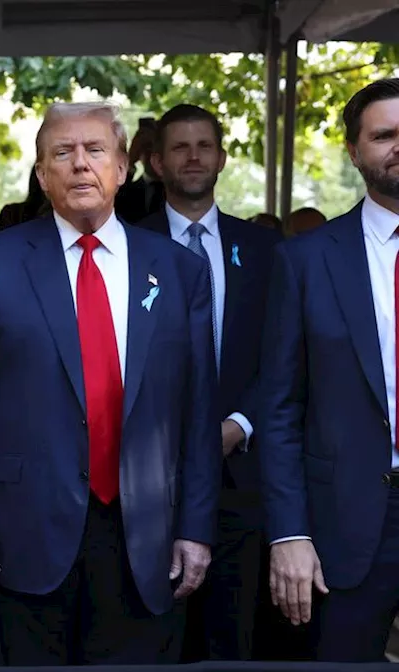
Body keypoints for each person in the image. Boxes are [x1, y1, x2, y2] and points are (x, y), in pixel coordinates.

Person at [0, 101, 220, 665]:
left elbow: (197, 409)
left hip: (145, 535)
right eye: (62, 153)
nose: (79, 164)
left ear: (123, 168)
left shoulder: (178, 269)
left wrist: (196, 527)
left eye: (95, 150)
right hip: (22, 534)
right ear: (42, 175)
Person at [135, 104, 283, 661]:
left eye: (204, 146)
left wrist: (239, 424)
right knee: (155, 630)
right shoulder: (130, 247)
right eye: (179, 147)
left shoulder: (268, 252)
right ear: (155, 162)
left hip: (242, 473)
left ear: (221, 157)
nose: (193, 157)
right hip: (151, 475)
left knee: (232, 631)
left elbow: (284, 359)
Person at [261, 78, 399, 662]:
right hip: (346, 524)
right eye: (385, 135)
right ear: (355, 151)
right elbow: (279, 408)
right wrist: (289, 533)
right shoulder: (306, 259)